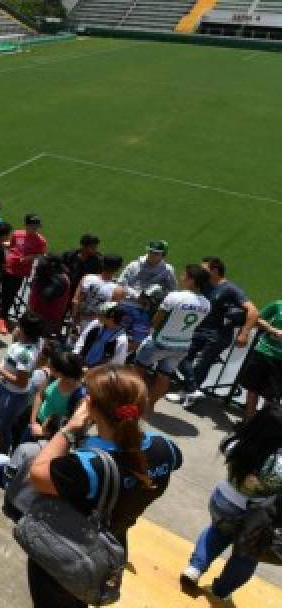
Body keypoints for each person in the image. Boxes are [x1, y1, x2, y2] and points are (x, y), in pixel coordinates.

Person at [26, 364, 183, 608]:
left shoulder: (86, 465)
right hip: (112, 543)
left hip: (70, 554)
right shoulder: (167, 449)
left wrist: (70, 429)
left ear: (93, 408)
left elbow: (37, 475)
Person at [181, 403, 282, 602]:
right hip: (254, 517)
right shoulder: (277, 463)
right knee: (246, 556)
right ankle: (221, 590)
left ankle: (195, 567)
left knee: (215, 533)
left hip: (223, 501)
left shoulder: (235, 442)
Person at [169, 257, 259, 408]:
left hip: (218, 336)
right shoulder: (204, 285)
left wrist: (244, 334)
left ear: (215, 270)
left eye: (204, 268)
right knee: (181, 356)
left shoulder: (230, 289)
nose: (200, 271)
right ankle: (192, 390)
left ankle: (188, 395)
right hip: (198, 331)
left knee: (203, 364)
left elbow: (253, 311)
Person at [136, 263, 212, 410]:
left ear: (192, 280)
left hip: (160, 341)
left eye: (185, 275)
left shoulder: (174, 296)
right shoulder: (207, 304)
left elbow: (156, 321)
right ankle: (150, 404)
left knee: (138, 369)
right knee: (164, 376)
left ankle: (132, 400)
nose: (181, 277)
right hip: (182, 345)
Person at [0, 312, 46, 454]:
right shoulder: (36, 341)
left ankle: (2, 456)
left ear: (24, 329)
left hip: (13, 394)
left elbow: (21, 383)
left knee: (3, 427)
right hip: (4, 387)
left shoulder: (25, 354)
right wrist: (16, 337)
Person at [0, 213, 47, 326]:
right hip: (8, 267)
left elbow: (42, 255)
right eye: (33, 226)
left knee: (11, 294)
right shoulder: (17, 233)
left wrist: (31, 257)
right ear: (26, 225)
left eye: (37, 227)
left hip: (21, 271)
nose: (35, 229)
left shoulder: (41, 241)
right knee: (4, 292)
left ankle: (2, 317)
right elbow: (11, 246)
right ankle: (0, 315)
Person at [27, 346, 85, 441]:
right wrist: (33, 421)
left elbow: (73, 425)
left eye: (52, 369)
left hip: (51, 435)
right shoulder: (53, 378)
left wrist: (43, 432)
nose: (49, 370)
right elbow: (40, 395)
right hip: (36, 423)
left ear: (62, 373)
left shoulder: (79, 396)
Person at [70, 253, 124, 334]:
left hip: (78, 321)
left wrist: (74, 320)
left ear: (102, 264)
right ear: (118, 268)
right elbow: (110, 315)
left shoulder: (87, 278)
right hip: (95, 326)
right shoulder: (118, 290)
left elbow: (75, 301)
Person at [26, 254, 72, 339]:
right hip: (36, 317)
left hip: (46, 321)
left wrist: (40, 278)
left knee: (38, 344)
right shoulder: (51, 276)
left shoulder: (60, 280)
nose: (37, 269)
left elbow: (46, 295)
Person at [75, 302, 131, 368]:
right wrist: (76, 354)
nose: (98, 315)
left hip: (98, 372)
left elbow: (117, 363)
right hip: (81, 362)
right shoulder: (96, 324)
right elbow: (82, 339)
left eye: (102, 314)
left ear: (111, 319)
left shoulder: (121, 340)